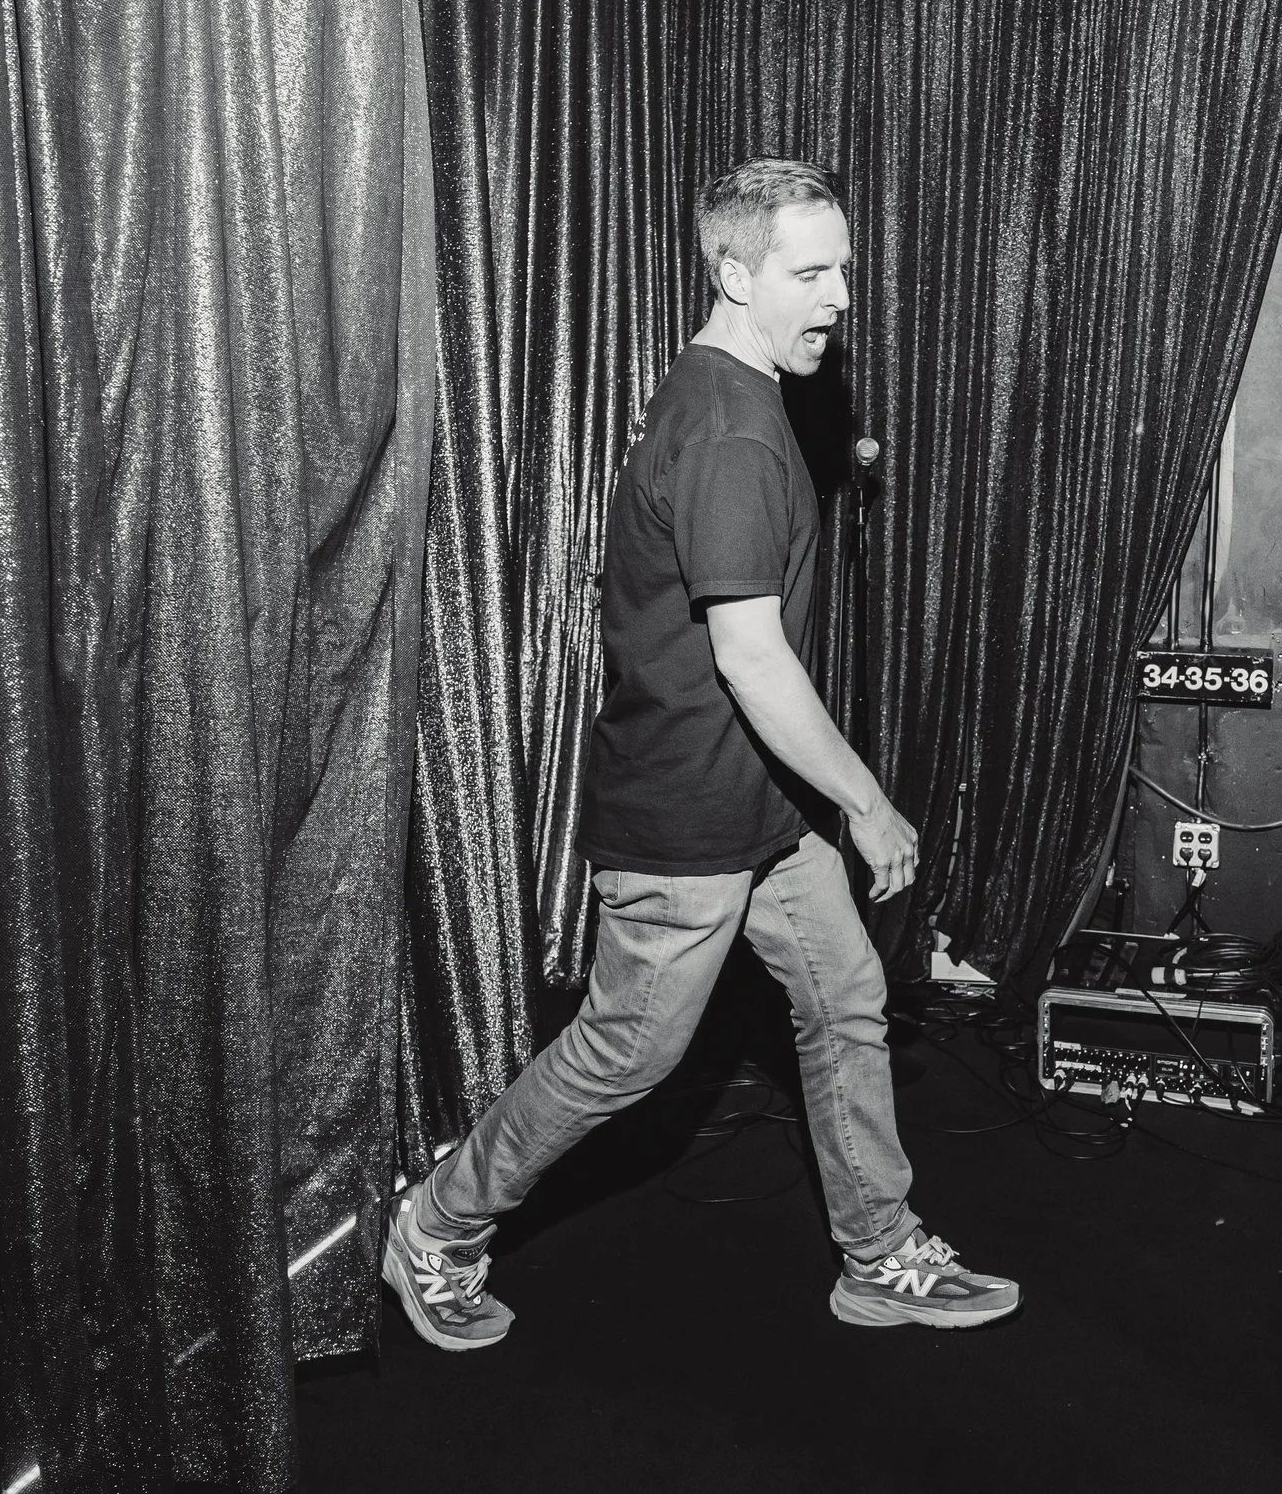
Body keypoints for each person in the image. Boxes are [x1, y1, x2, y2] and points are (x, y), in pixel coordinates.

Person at [384, 157, 1021, 1349]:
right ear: (733, 270)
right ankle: (438, 1220)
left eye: (844, 268)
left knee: (847, 1002)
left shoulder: (732, 394)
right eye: (810, 270)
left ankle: (879, 1254)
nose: (838, 295)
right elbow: (754, 660)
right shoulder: (732, 428)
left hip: (759, 808)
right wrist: (868, 804)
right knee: (627, 1051)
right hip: (688, 814)